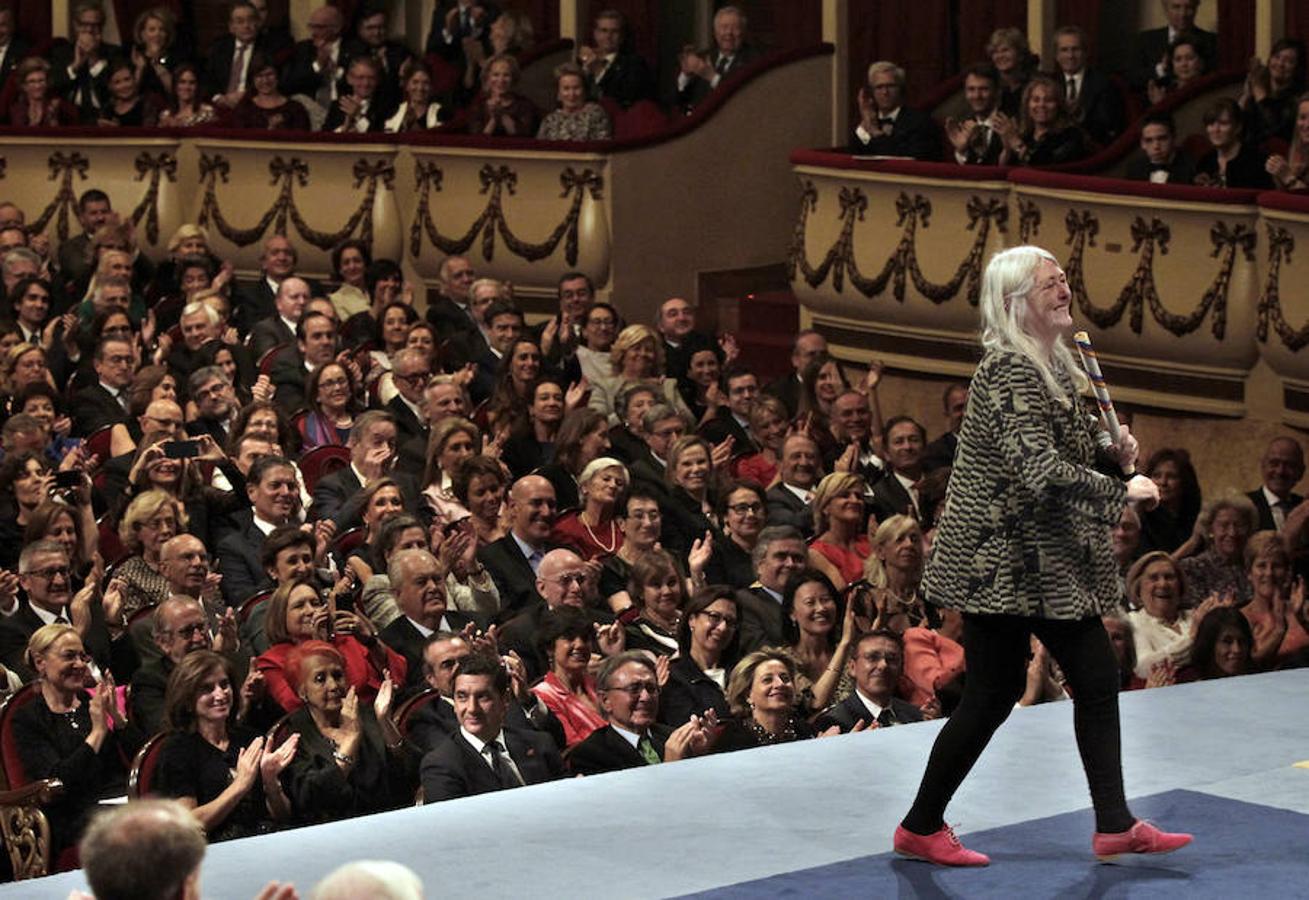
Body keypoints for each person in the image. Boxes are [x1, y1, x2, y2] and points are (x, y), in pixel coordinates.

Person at [894, 245, 1188, 867]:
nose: (1063, 291)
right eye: (1049, 284)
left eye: (1063, 281)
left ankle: (1111, 822)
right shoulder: (1008, 369)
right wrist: (1122, 488)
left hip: (1038, 561)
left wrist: (1111, 449)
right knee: (999, 694)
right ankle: (923, 826)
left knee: (1074, 681)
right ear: (1014, 304)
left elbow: (1066, 451)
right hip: (1003, 561)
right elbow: (1037, 469)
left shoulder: (1054, 365)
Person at [155, 650, 296, 841]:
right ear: (187, 700)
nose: (220, 694)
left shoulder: (250, 738)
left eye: (224, 684)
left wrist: (271, 782)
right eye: (207, 689)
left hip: (265, 841)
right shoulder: (177, 750)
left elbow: (283, 816)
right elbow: (187, 824)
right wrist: (240, 785)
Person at [14, 623, 126, 856]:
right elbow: (59, 783)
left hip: (119, 799)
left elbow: (133, 758)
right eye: (69, 656)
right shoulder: (28, 718)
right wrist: (97, 733)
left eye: (82, 656)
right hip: (71, 815)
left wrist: (118, 719)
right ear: (40, 662)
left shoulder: (90, 702)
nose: (79, 665)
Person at [278, 640, 416, 824]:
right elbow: (309, 798)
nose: (334, 685)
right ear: (302, 691)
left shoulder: (368, 714)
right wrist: (350, 742)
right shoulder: (293, 735)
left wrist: (385, 722)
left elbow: (412, 770)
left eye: (337, 675)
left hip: (389, 820)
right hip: (330, 832)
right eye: (320, 679)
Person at [420, 652, 564, 802]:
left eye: (483, 697)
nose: (472, 708)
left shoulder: (540, 744)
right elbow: (453, 824)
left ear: (505, 700)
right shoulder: (442, 764)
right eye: (462, 697)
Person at [254, 577, 407, 714]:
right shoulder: (272, 661)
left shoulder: (345, 639)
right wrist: (319, 647)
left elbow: (398, 672)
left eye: (315, 603)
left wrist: (370, 641)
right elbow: (296, 706)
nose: (310, 610)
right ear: (281, 616)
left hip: (378, 714)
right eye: (299, 606)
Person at [568, 651, 713, 775]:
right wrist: (670, 768)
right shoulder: (589, 754)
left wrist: (698, 757)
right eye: (634, 688)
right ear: (606, 700)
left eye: (651, 688)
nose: (646, 697)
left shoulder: (671, 736)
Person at [713, 649, 823, 752]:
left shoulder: (806, 732)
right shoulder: (732, 739)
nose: (780, 684)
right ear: (748, 695)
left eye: (785, 678)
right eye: (767, 680)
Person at [816, 629, 925, 731]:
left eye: (892, 659)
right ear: (852, 667)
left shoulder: (914, 716)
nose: (883, 665)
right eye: (872, 657)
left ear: (902, 668)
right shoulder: (833, 722)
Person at [782, 568, 857, 712]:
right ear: (792, 613)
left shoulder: (853, 655)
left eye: (826, 600)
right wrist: (845, 642)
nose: (821, 608)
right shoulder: (782, 661)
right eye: (810, 602)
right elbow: (815, 703)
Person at [1238, 531, 1309, 668]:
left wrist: (1302, 620)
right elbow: (1245, 668)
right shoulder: (1240, 619)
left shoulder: (1304, 610)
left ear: (1287, 572)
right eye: (1261, 566)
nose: (1269, 573)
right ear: (1248, 573)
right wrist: (1279, 629)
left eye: (1276, 566)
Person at [1175, 494, 1257, 606]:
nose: (1232, 533)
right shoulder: (1192, 567)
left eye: (1239, 525)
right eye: (1224, 525)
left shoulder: (1255, 566)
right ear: (1210, 529)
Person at [847, 61, 941, 159]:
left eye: (890, 86)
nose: (885, 92)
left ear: (901, 89)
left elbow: (901, 158)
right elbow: (852, 154)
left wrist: (875, 132)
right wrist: (864, 126)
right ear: (872, 92)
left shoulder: (920, 122)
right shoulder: (870, 120)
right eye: (879, 87)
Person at [676, 5, 759, 113]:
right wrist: (685, 76)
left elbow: (742, 99)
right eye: (724, 27)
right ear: (715, 33)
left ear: (743, 32)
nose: (729, 33)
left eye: (735, 28)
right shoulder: (702, 57)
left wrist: (712, 77)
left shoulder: (755, 60)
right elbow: (678, 102)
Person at [1052, 25, 1123, 147]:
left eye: (1075, 49)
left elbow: (1106, 125)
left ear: (1085, 52)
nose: (1070, 56)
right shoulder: (1049, 84)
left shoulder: (1103, 84)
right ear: (1056, 55)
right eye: (1064, 50)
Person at [998, 74, 1090, 167]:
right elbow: (1004, 171)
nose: (1041, 105)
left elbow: (1042, 167)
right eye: (1036, 100)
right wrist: (1007, 150)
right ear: (1027, 105)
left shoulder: (1071, 136)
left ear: (1059, 105)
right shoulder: (1026, 135)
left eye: (1049, 100)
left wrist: (1017, 144)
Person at [550, 456, 628, 560]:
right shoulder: (566, 529)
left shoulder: (626, 529)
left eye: (619, 483)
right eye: (606, 479)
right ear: (585, 486)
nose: (613, 485)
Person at [1130, 0, 1218, 91]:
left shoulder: (1212, 41)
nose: (1183, 14)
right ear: (1165, 8)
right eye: (1176, 7)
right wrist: (1161, 69)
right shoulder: (1146, 40)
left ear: (1196, 7)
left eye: (1188, 8)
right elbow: (1133, 78)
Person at [808, 472, 871, 590]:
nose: (854, 500)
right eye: (845, 495)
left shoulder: (870, 542)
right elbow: (844, 593)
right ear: (825, 507)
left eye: (859, 496)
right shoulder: (816, 553)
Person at [1193, 98, 1273, 190]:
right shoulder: (1205, 162)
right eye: (1211, 124)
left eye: (1223, 123)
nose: (1216, 130)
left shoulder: (1257, 160)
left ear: (1238, 127)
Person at [1241, 38, 1306, 145]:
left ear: (1297, 68)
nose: (1280, 64)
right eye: (1276, 57)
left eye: (1289, 61)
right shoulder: (1259, 87)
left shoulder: (1299, 99)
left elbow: (1277, 132)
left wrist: (1262, 99)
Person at [1139, 447, 1202, 554]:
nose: (1163, 482)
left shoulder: (1195, 518)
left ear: (1184, 481)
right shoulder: (1142, 519)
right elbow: (1155, 566)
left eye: (1171, 476)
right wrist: (1191, 544)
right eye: (1156, 476)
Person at [231, 53, 310, 130]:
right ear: (253, 79)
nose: (265, 81)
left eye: (269, 74)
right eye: (259, 76)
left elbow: (302, 139)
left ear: (278, 76)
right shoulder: (244, 109)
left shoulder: (296, 109)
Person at [947, 64, 1004, 166]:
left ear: (997, 92)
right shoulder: (961, 125)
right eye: (971, 89)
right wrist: (961, 151)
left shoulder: (1010, 123)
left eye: (984, 89)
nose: (977, 96)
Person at [538, 62, 611, 141]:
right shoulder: (550, 120)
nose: (572, 94)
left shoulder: (595, 114)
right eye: (566, 88)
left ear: (585, 91)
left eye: (576, 88)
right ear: (558, 93)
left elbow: (601, 145)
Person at [469, 53, 537, 137]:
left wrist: (503, 114)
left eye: (506, 75)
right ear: (488, 78)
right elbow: (477, 140)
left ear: (513, 79)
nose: (501, 80)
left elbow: (522, 137)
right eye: (496, 75)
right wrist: (494, 119)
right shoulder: (479, 105)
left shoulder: (524, 105)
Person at [1247, 437, 1304, 532]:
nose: (1280, 471)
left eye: (1289, 465)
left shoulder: (1304, 508)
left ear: (1301, 472)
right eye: (1274, 463)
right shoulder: (1245, 507)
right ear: (1263, 466)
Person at [1125, 113, 1197, 184]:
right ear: (1142, 144)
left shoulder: (1191, 168)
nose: (1156, 146)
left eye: (1162, 139)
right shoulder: (1135, 169)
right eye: (1149, 140)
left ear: (1174, 138)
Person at [7, 58, 75, 127]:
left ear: (47, 83)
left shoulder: (60, 107)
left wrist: (53, 118)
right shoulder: (16, 110)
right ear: (24, 86)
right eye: (32, 81)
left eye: (41, 80)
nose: (37, 86)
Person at [988, 27, 1038, 117]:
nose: (1000, 56)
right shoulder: (991, 85)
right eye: (995, 52)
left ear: (1020, 54)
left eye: (1005, 50)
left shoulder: (1034, 85)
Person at [1146, 32, 1207, 106]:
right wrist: (1160, 105)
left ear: (1201, 62)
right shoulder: (1165, 91)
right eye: (1178, 59)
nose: (1184, 64)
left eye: (1190, 58)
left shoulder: (1209, 90)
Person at [384, 60, 445, 132]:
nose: (420, 88)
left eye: (426, 83)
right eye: (415, 82)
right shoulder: (394, 112)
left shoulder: (441, 114)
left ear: (431, 86)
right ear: (407, 85)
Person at [1267, 93, 1309, 191]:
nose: (1307, 125)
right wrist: (1277, 175)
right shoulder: (1292, 152)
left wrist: (1288, 177)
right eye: (1302, 118)